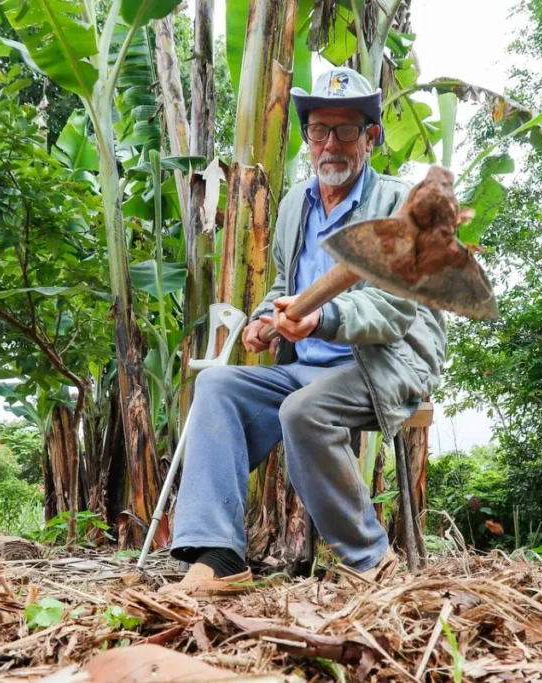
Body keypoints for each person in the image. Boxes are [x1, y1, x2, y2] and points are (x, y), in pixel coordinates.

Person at [161, 67, 446, 596]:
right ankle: (221, 555)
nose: (329, 145)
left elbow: (395, 310)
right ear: (307, 137)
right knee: (217, 387)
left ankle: (370, 560)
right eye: (318, 131)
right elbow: (284, 284)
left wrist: (321, 318)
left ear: (371, 137)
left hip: (382, 363)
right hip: (306, 366)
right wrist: (267, 321)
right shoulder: (296, 204)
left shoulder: (399, 206)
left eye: (344, 131)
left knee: (303, 410)